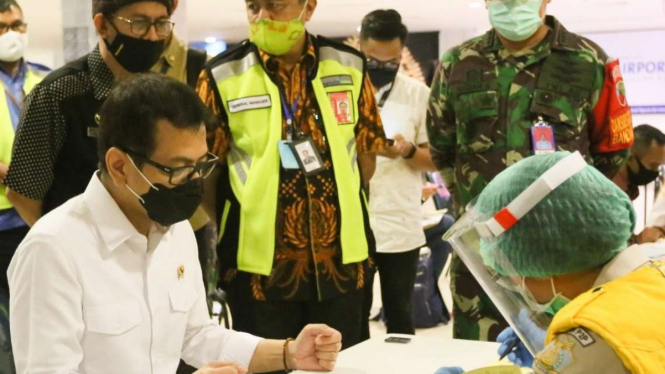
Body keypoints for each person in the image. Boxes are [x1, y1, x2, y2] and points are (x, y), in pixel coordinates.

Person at [8, 74, 342, 374]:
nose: (193, 182)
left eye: (200, 165)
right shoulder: (53, 249)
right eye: (177, 169)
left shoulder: (173, 228)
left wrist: (289, 354)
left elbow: (197, 334)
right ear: (120, 166)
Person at [427, 0, 635, 341]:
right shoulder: (458, 62)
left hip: (565, 255)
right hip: (483, 249)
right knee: (480, 352)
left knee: (574, 348)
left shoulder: (588, 60)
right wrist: (475, 204)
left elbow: (611, 151)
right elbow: (442, 146)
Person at [197, 0, 386, 352]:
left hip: (344, 263)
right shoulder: (221, 75)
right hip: (258, 269)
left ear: (308, 7)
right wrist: (234, 219)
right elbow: (207, 171)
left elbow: (366, 155)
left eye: (275, 6)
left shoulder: (349, 65)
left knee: (345, 363)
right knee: (266, 362)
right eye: (254, 7)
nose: (263, 17)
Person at [435, 151, 663, 374]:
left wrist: (562, 359)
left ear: (542, 263)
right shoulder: (655, 275)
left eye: (508, 269)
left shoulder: (593, 345)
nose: (512, 282)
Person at [4, 0, 206, 226]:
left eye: (161, 24)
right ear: (103, 25)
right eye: (139, 24)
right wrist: (65, 246)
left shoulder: (161, 95)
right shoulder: (58, 93)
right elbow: (22, 193)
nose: (151, 36)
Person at [358, 9, 437, 335]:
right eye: (372, 60)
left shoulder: (417, 93)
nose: (380, 69)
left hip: (400, 222)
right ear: (360, 47)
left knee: (401, 317)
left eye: (389, 62)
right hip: (352, 224)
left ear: (401, 53)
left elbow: (434, 159)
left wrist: (405, 151)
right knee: (350, 317)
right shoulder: (340, 89)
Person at [0, 0, 49, 296]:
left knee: (38, 299)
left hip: (40, 212)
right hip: (3, 214)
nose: (10, 34)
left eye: (16, 26)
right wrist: (10, 173)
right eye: (1, 27)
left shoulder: (46, 79)